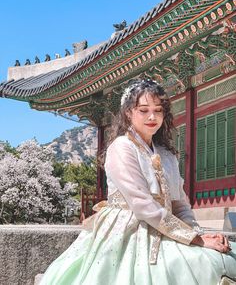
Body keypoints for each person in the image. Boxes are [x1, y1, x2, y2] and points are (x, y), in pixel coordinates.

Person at [40, 78, 236, 285]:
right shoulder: (122, 147)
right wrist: (194, 239)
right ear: (128, 113)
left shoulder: (167, 155)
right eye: (143, 110)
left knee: (221, 256)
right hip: (129, 231)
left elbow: (180, 204)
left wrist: (198, 235)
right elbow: (142, 205)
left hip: (168, 228)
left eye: (158, 110)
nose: (152, 116)